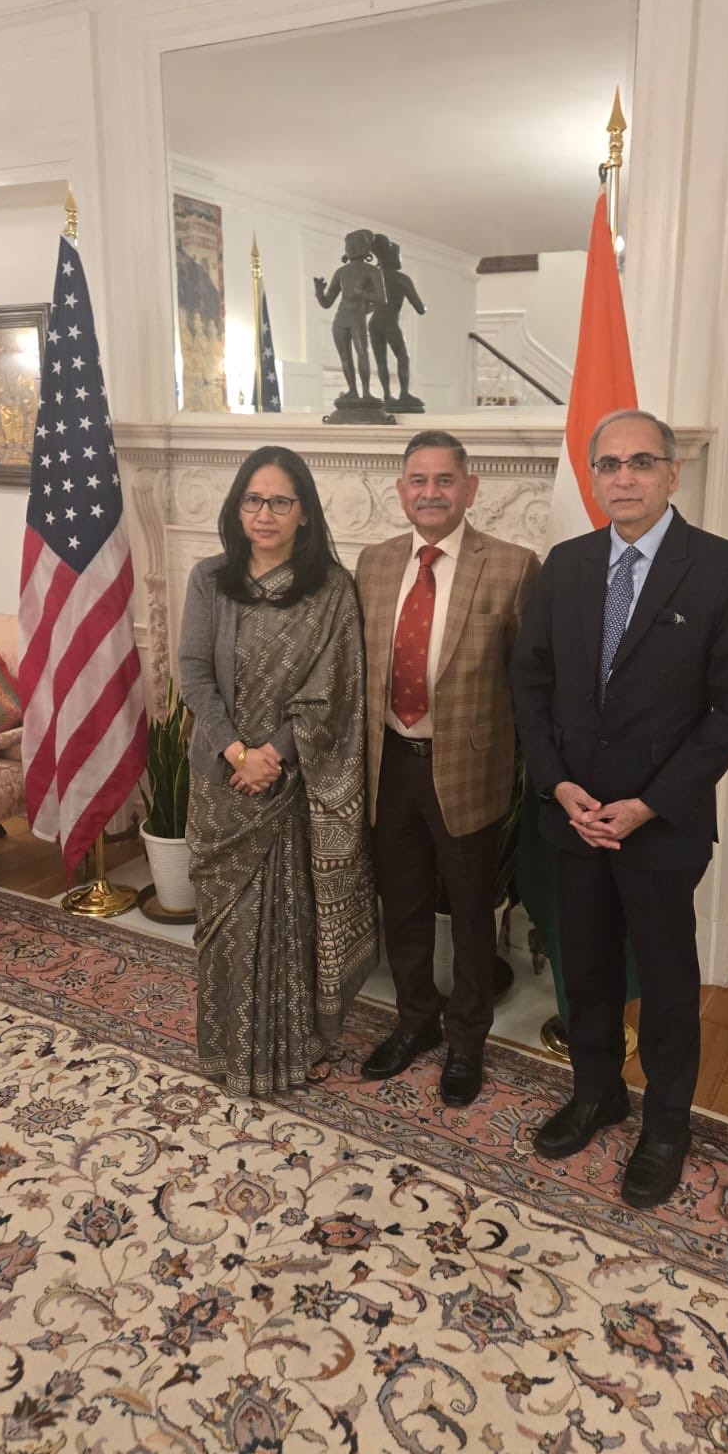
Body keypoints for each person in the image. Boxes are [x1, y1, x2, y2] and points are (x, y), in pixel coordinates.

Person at [511, 410, 728, 1208]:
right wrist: (557, 784)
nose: (623, 478)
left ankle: (666, 1123)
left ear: (672, 473)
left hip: (660, 825)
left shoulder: (724, 568)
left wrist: (651, 803)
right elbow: (531, 683)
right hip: (575, 817)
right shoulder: (568, 563)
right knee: (585, 966)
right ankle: (596, 1092)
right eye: (609, 464)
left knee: (665, 978)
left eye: (641, 463)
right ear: (593, 476)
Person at [178, 445, 378, 1096]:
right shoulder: (209, 579)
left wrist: (276, 755)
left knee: (293, 921)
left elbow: (336, 689)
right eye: (253, 500)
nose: (264, 514)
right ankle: (228, 1048)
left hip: (292, 782)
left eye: (280, 502)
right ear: (238, 508)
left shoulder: (331, 590)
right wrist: (238, 752)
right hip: (222, 782)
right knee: (227, 925)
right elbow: (194, 674)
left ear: (305, 513)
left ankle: (298, 1047)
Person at [356, 430, 539, 1107]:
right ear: (400, 490)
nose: (430, 493)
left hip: (467, 771)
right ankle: (415, 1020)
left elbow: (530, 680)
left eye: (443, 480)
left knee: (468, 912)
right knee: (402, 902)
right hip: (389, 763)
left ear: (470, 488)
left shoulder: (514, 566)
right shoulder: (374, 563)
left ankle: (466, 1039)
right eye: (418, 480)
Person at [313, 229, 386, 407]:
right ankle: (352, 390)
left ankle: (366, 392)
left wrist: (363, 295)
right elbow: (327, 303)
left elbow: (381, 299)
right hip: (341, 319)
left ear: (365, 248)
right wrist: (319, 292)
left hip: (357, 318)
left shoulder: (372, 271)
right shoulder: (341, 272)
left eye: (356, 245)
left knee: (362, 353)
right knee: (345, 358)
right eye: (348, 245)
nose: (351, 248)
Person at [369, 233, 426, 412]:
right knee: (403, 357)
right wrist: (425, 307)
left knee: (381, 361)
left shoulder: (374, 277)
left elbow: (368, 305)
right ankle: (404, 394)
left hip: (374, 322)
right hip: (390, 322)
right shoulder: (401, 278)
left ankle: (387, 395)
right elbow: (419, 308)